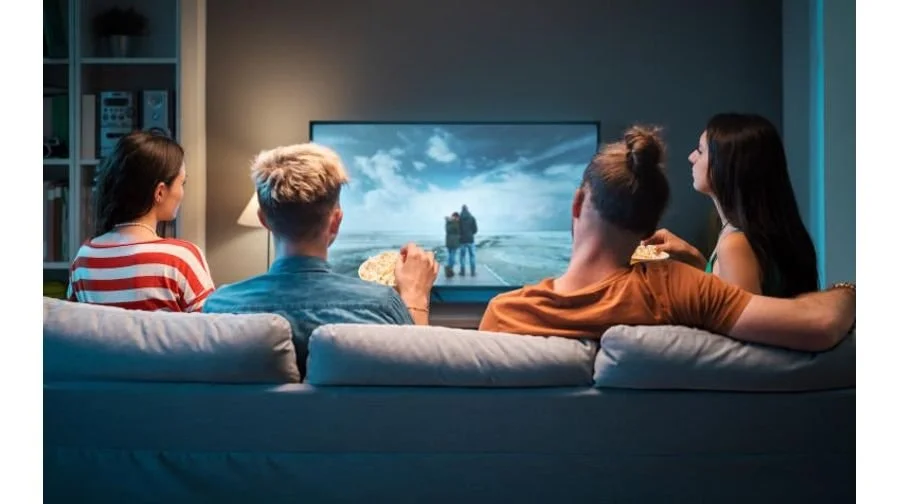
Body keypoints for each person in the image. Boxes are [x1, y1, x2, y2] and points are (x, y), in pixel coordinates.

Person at [479, 126, 854, 353]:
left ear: (578, 203)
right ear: (650, 228)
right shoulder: (675, 288)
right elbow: (818, 325)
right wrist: (847, 290)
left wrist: (418, 303)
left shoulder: (506, 312)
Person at [203, 143, 439, 371]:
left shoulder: (219, 308)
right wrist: (415, 296)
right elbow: (421, 381)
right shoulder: (381, 307)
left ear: (263, 219)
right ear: (335, 221)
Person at [644, 113, 818, 297]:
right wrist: (695, 258)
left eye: (701, 151)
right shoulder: (744, 233)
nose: (691, 157)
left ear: (727, 165)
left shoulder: (735, 244)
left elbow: (741, 323)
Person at [67, 131, 215, 312]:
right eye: (182, 183)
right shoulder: (181, 259)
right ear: (160, 192)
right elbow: (211, 332)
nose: (182, 193)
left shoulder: (84, 258)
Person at [458, 204, 478, 275]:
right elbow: (475, 230)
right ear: (467, 209)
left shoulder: (459, 219)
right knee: (472, 256)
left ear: (462, 209)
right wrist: (471, 233)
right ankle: (473, 272)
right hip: (470, 239)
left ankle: (462, 272)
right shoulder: (472, 218)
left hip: (462, 240)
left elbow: (458, 230)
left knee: (462, 256)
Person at [444, 212, 461, 278]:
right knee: (453, 256)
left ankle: (449, 268)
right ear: (456, 217)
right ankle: (450, 269)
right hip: (454, 242)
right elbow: (457, 230)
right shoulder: (455, 223)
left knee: (450, 255)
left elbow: (447, 230)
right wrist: (457, 222)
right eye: (457, 217)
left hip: (448, 241)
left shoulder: (448, 222)